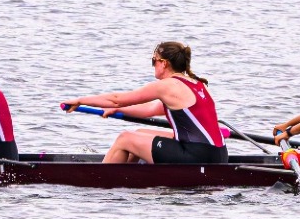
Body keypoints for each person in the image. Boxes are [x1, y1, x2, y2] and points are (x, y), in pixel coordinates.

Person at [62, 41, 228, 164]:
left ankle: (99, 180)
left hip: (198, 156)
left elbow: (116, 100)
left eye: (154, 60)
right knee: (140, 132)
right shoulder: (195, 84)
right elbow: (151, 109)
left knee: (125, 138)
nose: (153, 64)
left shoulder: (167, 86)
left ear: (164, 63)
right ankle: (133, 178)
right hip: (218, 154)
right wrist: (116, 110)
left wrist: (80, 100)